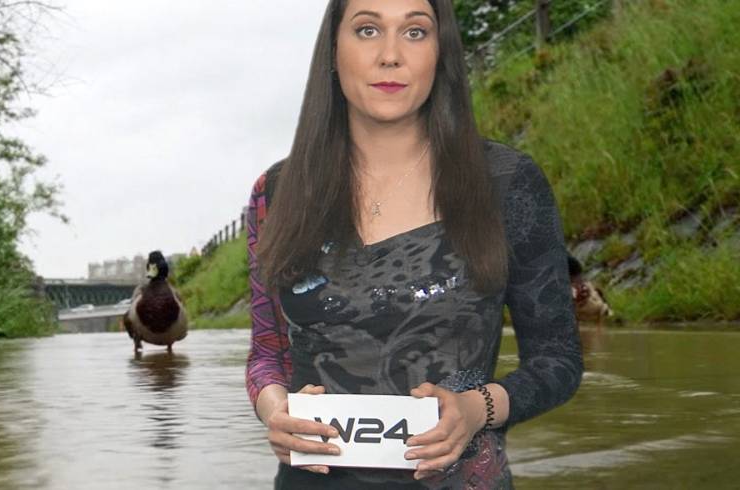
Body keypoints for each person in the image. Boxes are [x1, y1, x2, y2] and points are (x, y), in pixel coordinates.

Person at [243, 0, 584, 488]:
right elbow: (265, 355)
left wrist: (478, 408)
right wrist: (275, 409)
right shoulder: (275, 194)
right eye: (366, 30)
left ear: (440, 52)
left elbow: (559, 360)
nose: (390, 55)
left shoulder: (508, 184)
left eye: (415, 32)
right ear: (333, 52)